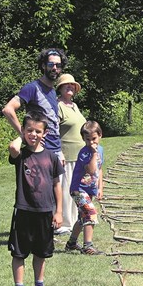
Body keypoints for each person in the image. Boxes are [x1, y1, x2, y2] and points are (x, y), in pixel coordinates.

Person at [8, 112, 64, 286]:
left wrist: (58, 211)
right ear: (23, 131)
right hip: (24, 210)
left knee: (41, 252)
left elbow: (57, 185)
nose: (33, 134)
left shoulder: (52, 157)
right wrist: (21, 135)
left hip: (45, 211)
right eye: (29, 130)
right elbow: (12, 147)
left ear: (45, 133)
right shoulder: (21, 155)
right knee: (19, 252)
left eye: (37, 131)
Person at [2, 48, 67, 164]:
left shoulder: (52, 91)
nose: (55, 68)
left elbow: (53, 123)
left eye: (58, 65)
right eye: (51, 64)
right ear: (43, 65)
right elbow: (8, 109)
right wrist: (24, 135)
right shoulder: (32, 88)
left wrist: (59, 151)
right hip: (39, 151)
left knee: (58, 183)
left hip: (55, 151)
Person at [65, 121, 105, 255]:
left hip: (89, 190)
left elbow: (99, 170)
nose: (91, 142)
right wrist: (93, 153)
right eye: (87, 139)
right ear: (83, 139)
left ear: (100, 135)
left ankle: (71, 243)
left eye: (94, 139)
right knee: (90, 214)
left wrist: (100, 188)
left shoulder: (101, 150)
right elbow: (91, 169)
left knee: (82, 217)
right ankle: (88, 246)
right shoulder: (84, 153)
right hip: (78, 190)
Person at [56, 74, 87, 235]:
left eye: (72, 85)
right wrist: (57, 152)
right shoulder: (57, 105)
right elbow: (53, 130)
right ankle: (64, 223)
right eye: (66, 85)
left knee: (77, 189)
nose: (70, 87)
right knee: (65, 189)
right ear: (60, 88)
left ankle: (77, 220)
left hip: (79, 155)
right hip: (65, 155)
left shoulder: (74, 106)